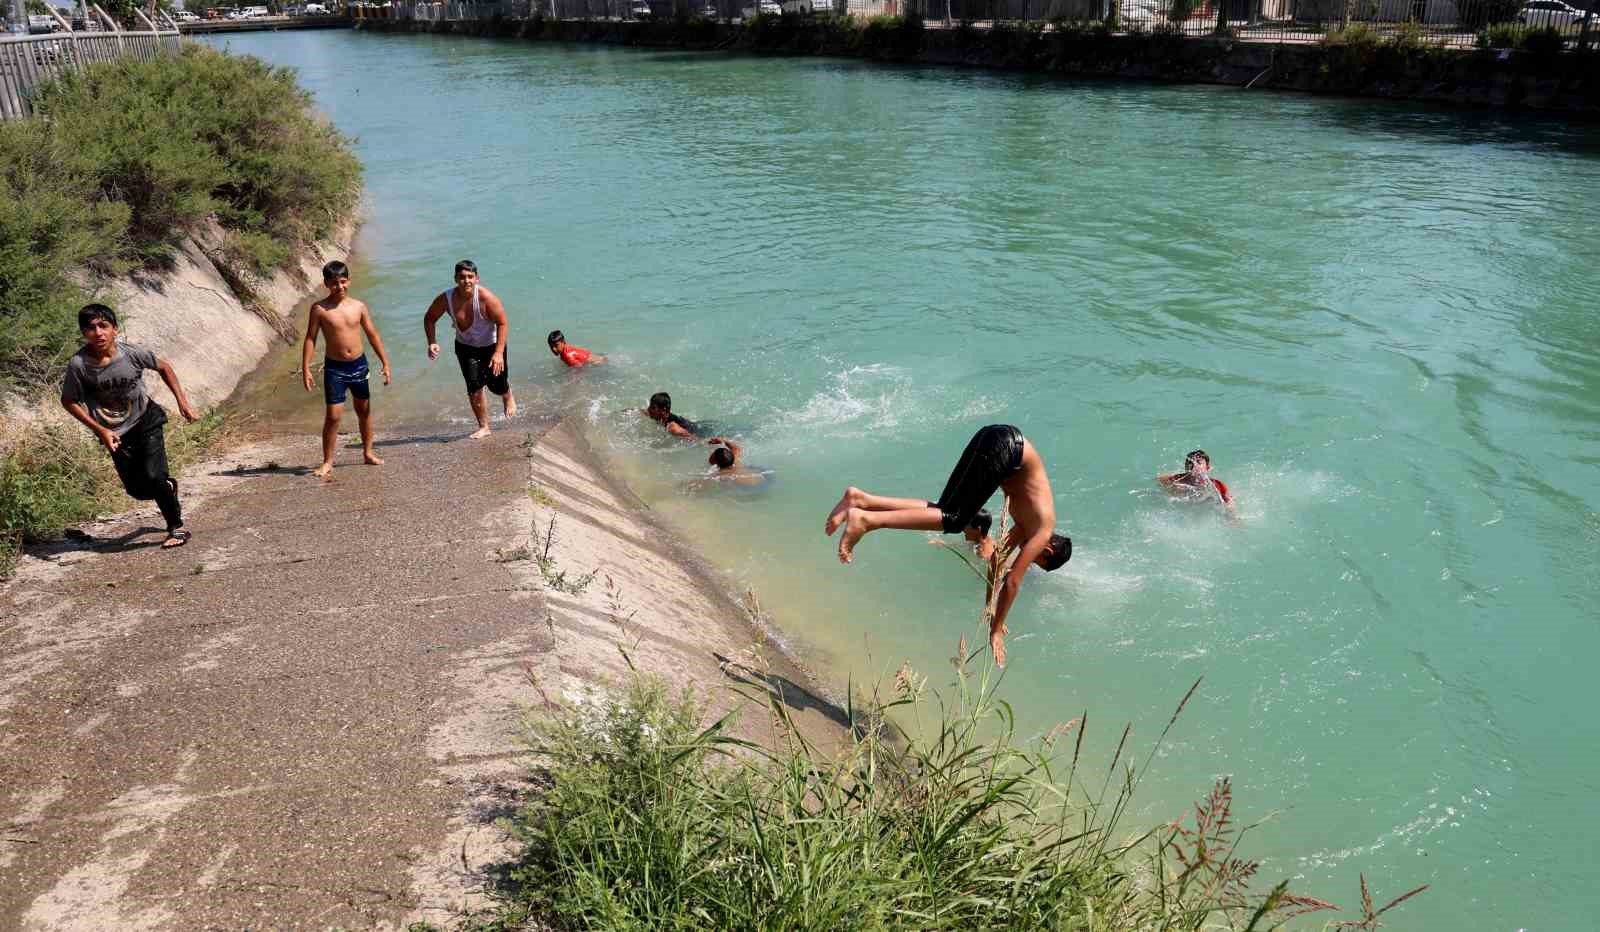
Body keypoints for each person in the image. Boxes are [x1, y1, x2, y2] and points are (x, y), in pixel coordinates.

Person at [824, 424, 1070, 667]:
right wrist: (995, 632)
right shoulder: (1043, 528)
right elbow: (1013, 581)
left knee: (946, 511)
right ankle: (867, 520)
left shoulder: (1028, 523)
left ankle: (861, 500)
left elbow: (997, 560)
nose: (1032, 557)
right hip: (1008, 449)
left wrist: (989, 607)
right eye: (1037, 559)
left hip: (995, 436)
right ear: (1046, 552)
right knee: (954, 520)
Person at [60, 304, 201, 549]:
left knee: (155, 476)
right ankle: (168, 488)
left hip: (146, 419)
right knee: (138, 491)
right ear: (84, 333)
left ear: (115, 329)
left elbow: (164, 367)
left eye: (103, 326)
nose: (98, 333)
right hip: (115, 433)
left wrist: (183, 403)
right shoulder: (79, 365)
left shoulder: (132, 354)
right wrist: (101, 430)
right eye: (91, 328)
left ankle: (176, 528)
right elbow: (69, 401)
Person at [302, 260, 392, 478]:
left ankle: (368, 453)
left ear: (349, 281)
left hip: (359, 365)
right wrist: (305, 368)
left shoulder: (358, 306)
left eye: (343, 282)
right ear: (326, 284)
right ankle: (327, 461)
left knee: (364, 410)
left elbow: (372, 335)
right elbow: (310, 338)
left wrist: (385, 362)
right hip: (335, 369)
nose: (339, 287)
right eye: (334, 283)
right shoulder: (320, 309)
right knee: (333, 416)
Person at [423, 259, 516, 439]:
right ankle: (484, 426)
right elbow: (429, 318)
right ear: (455, 279)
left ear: (477, 279)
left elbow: (503, 322)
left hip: (491, 346)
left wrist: (498, 353)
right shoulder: (446, 298)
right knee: (474, 386)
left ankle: (506, 394)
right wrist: (432, 341)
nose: (466, 281)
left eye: (470, 277)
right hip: (466, 347)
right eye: (462, 277)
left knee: (496, 384)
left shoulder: (486, 298)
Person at [1158, 449, 1235, 512]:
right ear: (1186, 468)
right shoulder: (1177, 480)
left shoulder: (1217, 485)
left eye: (1198, 463)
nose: (1194, 465)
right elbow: (1159, 480)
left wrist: (1232, 518)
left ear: (1207, 468)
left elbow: (1229, 505)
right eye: (1190, 463)